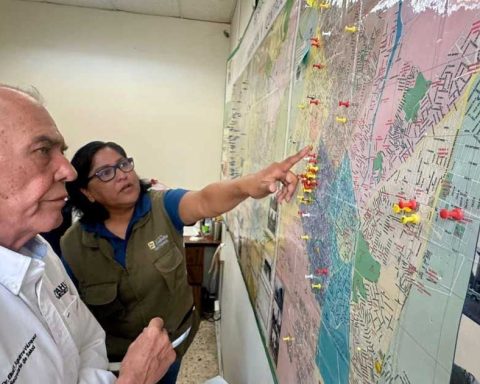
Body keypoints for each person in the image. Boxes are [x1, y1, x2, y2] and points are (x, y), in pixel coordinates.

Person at [60, 140, 310, 383]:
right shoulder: (71, 245)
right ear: (86, 192)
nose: (122, 175)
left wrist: (247, 185)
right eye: (105, 172)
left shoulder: (162, 206)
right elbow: (68, 315)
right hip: (114, 363)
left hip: (171, 345)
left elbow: (204, 200)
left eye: (124, 164)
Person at [0, 85, 176, 384]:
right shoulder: (71, 242)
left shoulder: (40, 251)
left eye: (62, 152)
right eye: (43, 151)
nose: (67, 171)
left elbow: (88, 344)